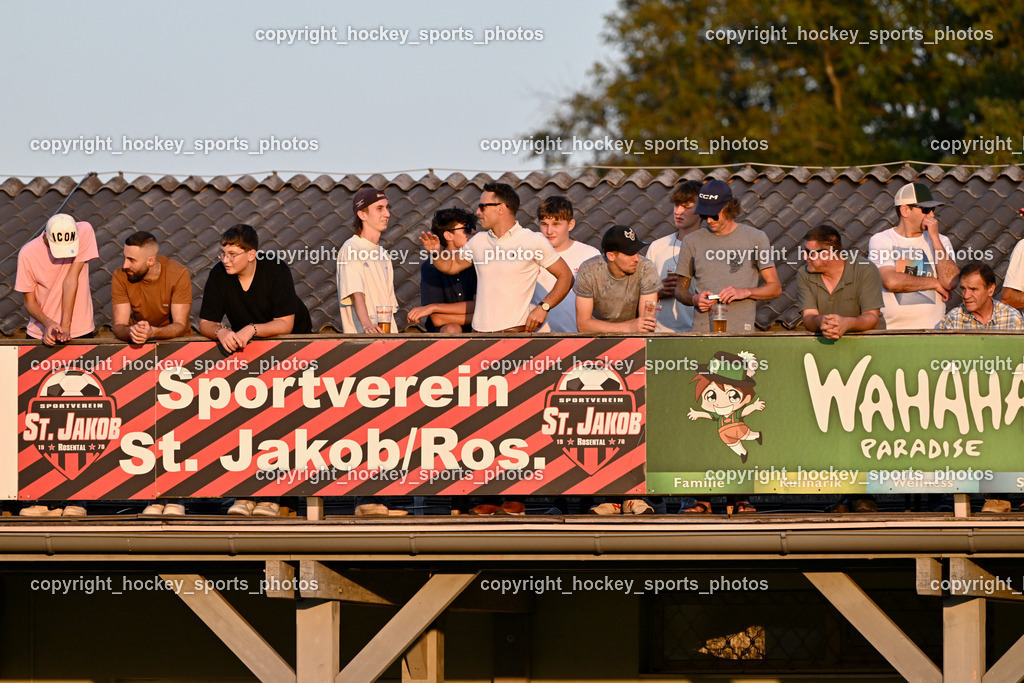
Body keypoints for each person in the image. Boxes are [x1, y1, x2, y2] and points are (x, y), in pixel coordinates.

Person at [419, 182, 572, 333]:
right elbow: (451, 266)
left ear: (501, 208)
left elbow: (566, 276)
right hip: (478, 337)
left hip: (515, 337)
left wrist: (544, 307)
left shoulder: (533, 240)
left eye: (483, 206)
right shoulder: (478, 240)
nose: (478, 212)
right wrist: (436, 252)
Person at [672, 179, 782, 333]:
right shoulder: (691, 241)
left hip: (741, 335)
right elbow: (680, 291)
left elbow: (775, 288)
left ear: (728, 208)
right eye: (704, 215)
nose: (709, 220)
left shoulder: (756, 238)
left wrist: (745, 292)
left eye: (714, 215)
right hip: (701, 334)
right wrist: (694, 299)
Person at [198, 224, 312, 352]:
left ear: (251, 255)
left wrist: (252, 329)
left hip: (294, 342)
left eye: (232, 254)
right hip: (248, 344)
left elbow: (285, 324)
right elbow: (206, 323)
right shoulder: (218, 274)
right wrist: (221, 332)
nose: (225, 260)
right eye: (223, 254)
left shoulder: (276, 270)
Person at [867, 182, 958, 329]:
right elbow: (891, 281)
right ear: (905, 210)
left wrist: (934, 238)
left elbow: (950, 282)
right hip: (890, 333)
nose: (932, 215)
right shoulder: (882, 240)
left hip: (933, 332)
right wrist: (935, 283)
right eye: (926, 209)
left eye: (933, 209)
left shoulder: (941, 241)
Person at [15, 213, 98, 345]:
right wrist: (48, 323)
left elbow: (71, 280)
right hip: (41, 333)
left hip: (80, 330)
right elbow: (29, 302)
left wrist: (65, 327)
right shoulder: (27, 253)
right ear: (47, 235)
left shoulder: (84, 231)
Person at [797, 225, 883, 339]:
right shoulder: (804, 273)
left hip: (868, 343)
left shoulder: (865, 269)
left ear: (827, 254)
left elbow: (872, 317)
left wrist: (847, 323)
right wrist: (822, 321)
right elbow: (808, 317)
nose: (804, 256)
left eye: (809, 252)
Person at [531, 196, 600, 332]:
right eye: (544, 224)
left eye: (556, 224)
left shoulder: (591, 255)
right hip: (535, 341)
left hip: (578, 341)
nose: (549, 231)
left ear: (571, 225)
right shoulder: (529, 255)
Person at [575, 225, 660, 333]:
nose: (636, 259)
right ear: (611, 256)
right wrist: (629, 327)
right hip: (597, 341)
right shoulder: (589, 270)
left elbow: (645, 326)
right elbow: (583, 325)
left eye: (636, 252)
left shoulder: (646, 268)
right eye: (629, 254)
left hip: (635, 341)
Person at [337, 187, 398, 334]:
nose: (387, 214)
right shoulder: (351, 248)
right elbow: (356, 292)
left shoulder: (384, 255)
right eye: (379, 208)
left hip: (388, 340)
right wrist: (367, 326)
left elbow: (388, 307)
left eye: (387, 208)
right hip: (365, 342)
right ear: (362, 214)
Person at [112, 231, 192, 342]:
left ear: (151, 261)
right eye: (125, 258)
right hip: (137, 340)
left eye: (131, 260)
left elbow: (180, 325)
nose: (125, 265)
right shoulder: (120, 275)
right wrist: (132, 331)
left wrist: (153, 332)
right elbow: (119, 326)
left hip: (174, 342)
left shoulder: (178, 274)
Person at [408, 208, 478, 332]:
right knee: (452, 329)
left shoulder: (478, 262)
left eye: (473, 227)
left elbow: (480, 306)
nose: (473, 231)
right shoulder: (430, 266)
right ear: (448, 235)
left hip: (478, 330)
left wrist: (434, 307)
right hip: (446, 332)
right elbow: (437, 319)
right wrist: (475, 316)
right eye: (466, 228)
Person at [645, 180, 702, 332]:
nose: (678, 211)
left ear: (701, 210)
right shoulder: (657, 247)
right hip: (660, 333)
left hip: (698, 333)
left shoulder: (711, 248)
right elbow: (640, 295)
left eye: (686, 207)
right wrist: (658, 292)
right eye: (676, 205)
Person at [936, 262, 1024, 330]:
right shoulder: (953, 319)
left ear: (990, 290)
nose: (966, 296)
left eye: (973, 289)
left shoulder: (1012, 318)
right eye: (963, 289)